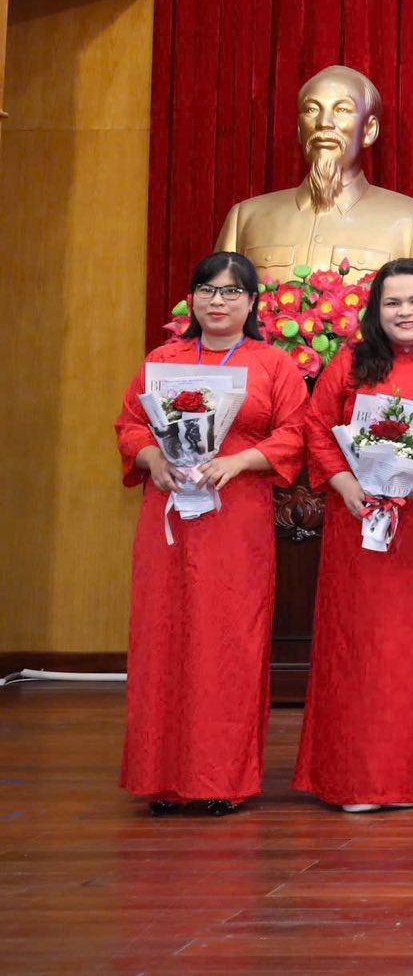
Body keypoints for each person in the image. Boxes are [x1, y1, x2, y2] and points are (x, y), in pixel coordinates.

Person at [114, 252, 307, 815]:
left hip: (236, 515)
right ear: (192, 299)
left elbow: (296, 432)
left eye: (230, 291)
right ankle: (163, 779)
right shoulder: (163, 360)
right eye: (207, 290)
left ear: (252, 302)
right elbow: (130, 425)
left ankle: (222, 777)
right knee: (163, 636)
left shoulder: (273, 364)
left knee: (229, 640)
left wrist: (241, 461)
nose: (217, 301)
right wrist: (152, 458)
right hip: (170, 514)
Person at [292, 259, 413, 813]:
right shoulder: (351, 363)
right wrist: (344, 483)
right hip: (361, 527)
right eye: (392, 303)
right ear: (376, 311)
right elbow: (315, 428)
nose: (405, 312)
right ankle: (359, 779)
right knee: (364, 649)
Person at [214, 65, 413, 281]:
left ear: (369, 130)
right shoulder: (245, 218)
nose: (324, 123)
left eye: (342, 109)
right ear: (299, 129)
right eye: (311, 109)